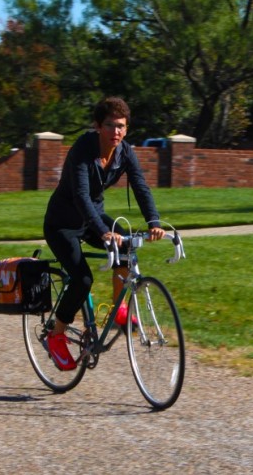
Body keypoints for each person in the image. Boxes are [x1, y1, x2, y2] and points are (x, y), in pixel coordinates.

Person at [43, 96, 165, 370]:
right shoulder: (82, 149)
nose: (116, 131)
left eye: (121, 126)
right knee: (82, 279)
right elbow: (81, 196)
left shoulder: (125, 152)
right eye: (110, 125)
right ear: (98, 126)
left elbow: (140, 186)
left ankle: (119, 310)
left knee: (127, 247)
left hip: (92, 219)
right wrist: (102, 231)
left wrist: (153, 222)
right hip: (62, 223)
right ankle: (57, 333)